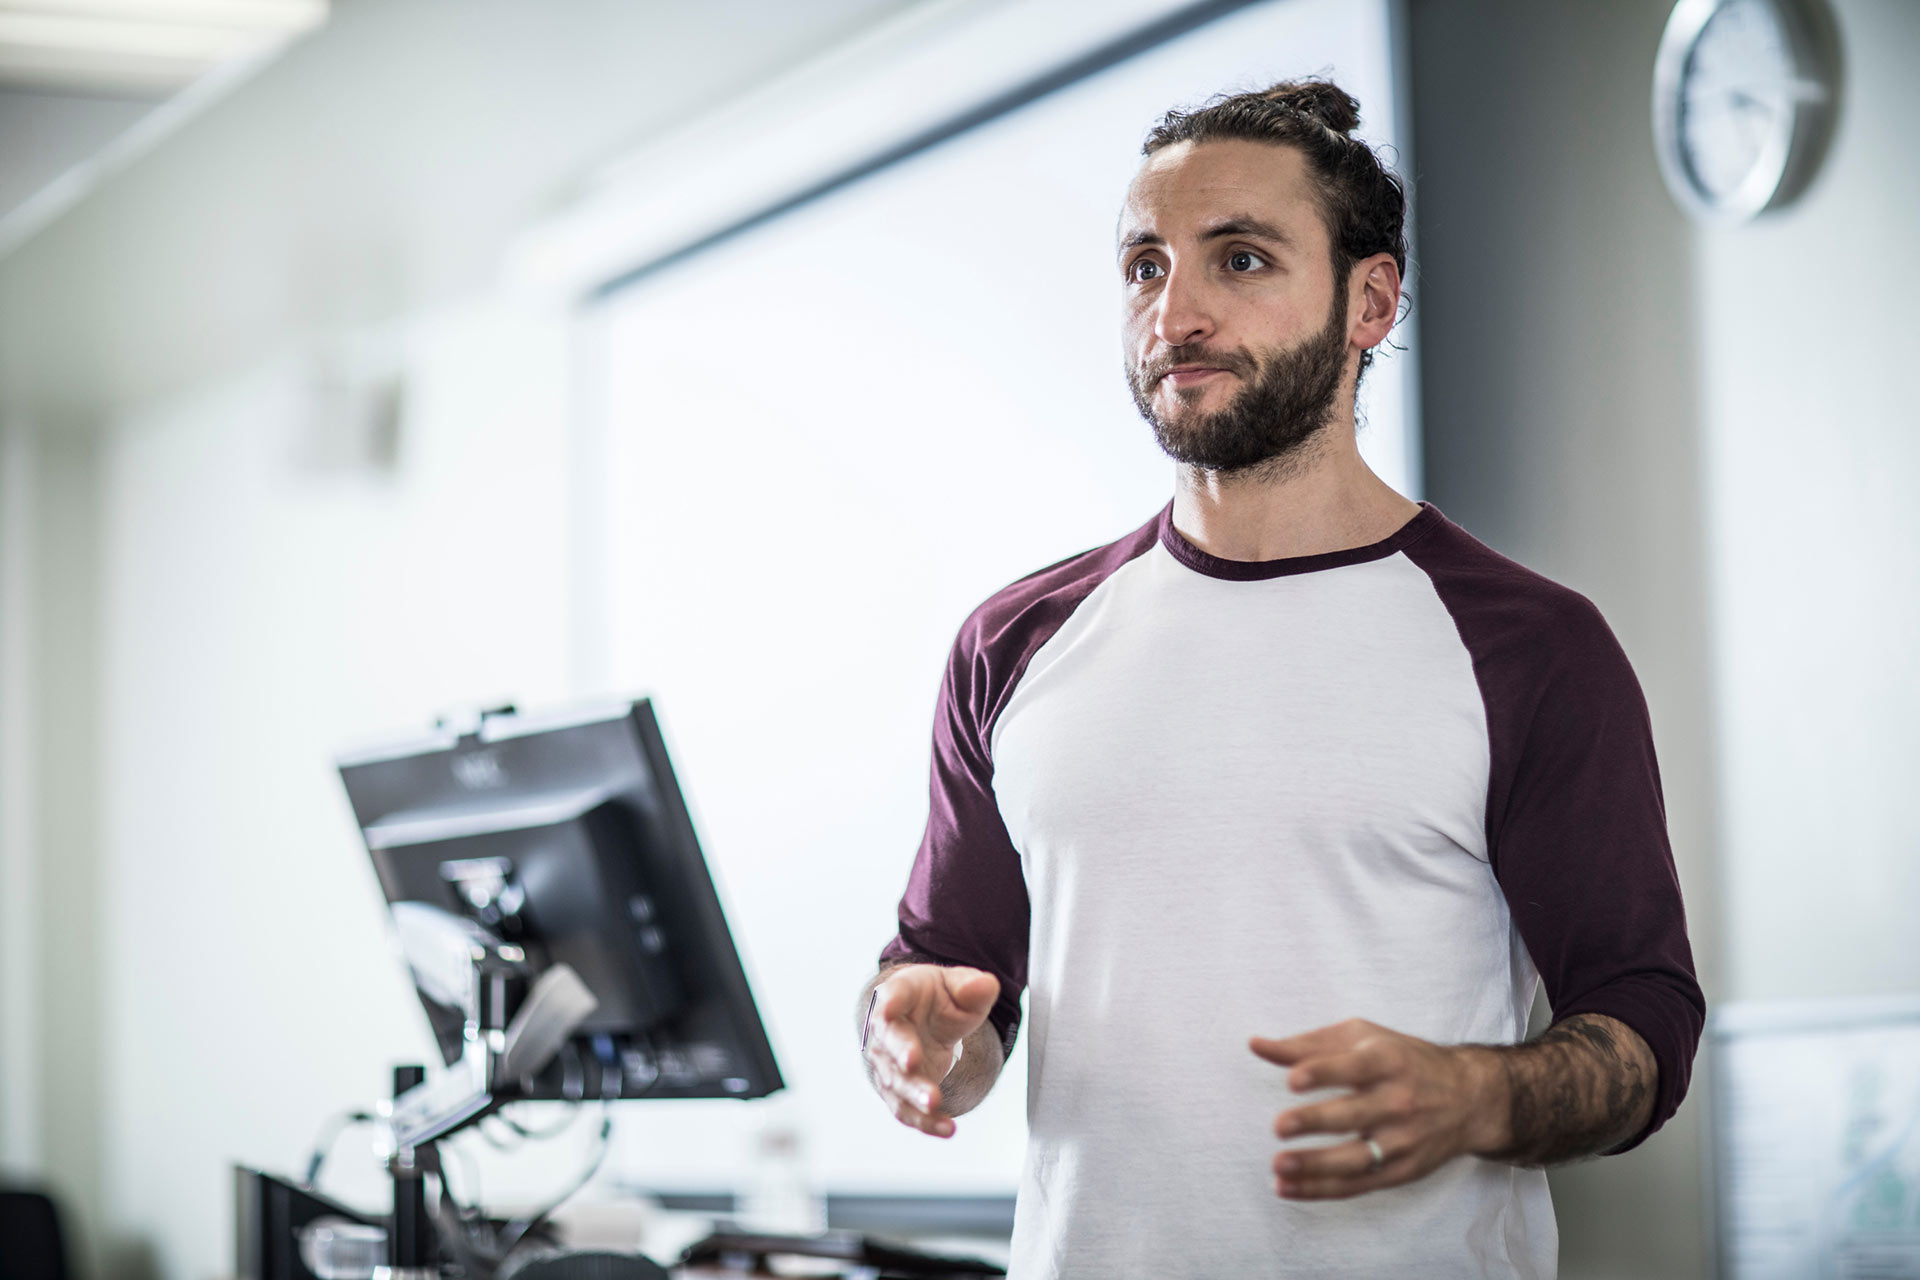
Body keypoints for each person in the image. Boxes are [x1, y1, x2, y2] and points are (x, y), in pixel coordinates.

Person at [855, 77, 1703, 1279]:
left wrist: (1482, 1094)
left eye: (1239, 259)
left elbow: (1647, 1024)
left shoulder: (1533, 646)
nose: (1176, 311)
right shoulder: (1014, 641)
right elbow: (949, 988)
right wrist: (913, 1037)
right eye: (1146, 265)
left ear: (1370, 298)